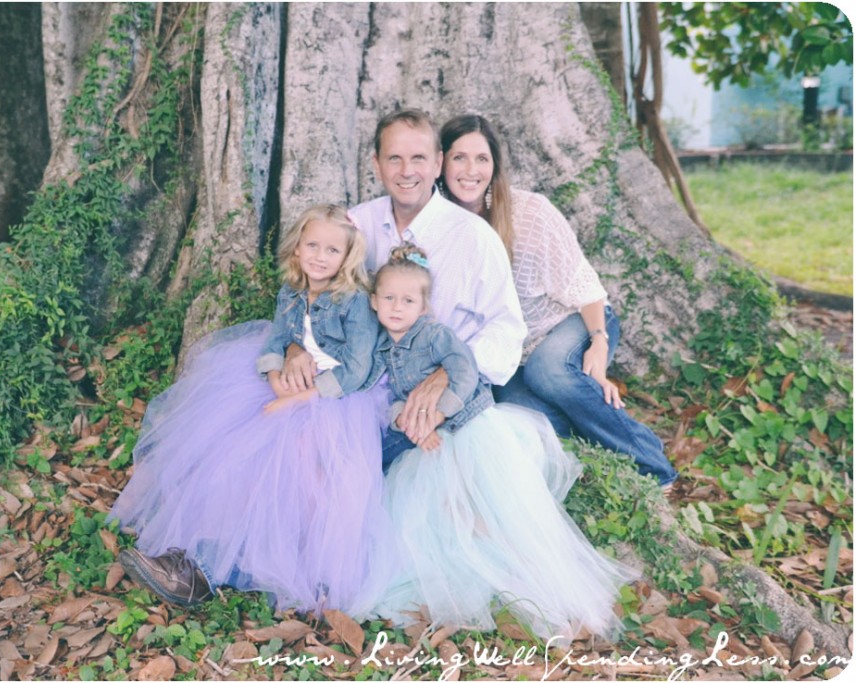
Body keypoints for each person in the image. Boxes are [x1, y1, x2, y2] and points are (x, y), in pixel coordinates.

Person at [108, 204, 394, 616]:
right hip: (290, 391)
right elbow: (275, 340)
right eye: (311, 245)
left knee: (299, 462)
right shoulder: (291, 293)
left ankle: (309, 575)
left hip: (338, 401)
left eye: (332, 250)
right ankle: (194, 560)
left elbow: (357, 371)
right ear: (296, 249)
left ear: (347, 258)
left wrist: (292, 400)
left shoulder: (354, 303)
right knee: (232, 449)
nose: (319, 256)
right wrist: (276, 379)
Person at [365, 245, 636, 637]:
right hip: (432, 440)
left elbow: (465, 373)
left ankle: (526, 577)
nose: (396, 307)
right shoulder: (384, 348)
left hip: (472, 427)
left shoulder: (436, 335)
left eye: (407, 300)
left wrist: (438, 415)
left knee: (493, 510)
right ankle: (463, 578)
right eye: (388, 298)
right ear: (374, 302)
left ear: (424, 307)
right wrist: (409, 423)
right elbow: (394, 400)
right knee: (433, 515)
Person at [438, 113, 679, 489]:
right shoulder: (439, 226)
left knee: (547, 372)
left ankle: (653, 465)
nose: (471, 170)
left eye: (482, 159)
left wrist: (598, 344)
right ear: (441, 162)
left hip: (572, 322)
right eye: (459, 157)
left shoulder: (529, 213)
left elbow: (585, 287)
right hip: (510, 352)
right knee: (523, 417)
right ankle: (600, 439)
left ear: (495, 167)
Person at [279, 109, 526, 467]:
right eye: (394, 158)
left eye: (418, 159)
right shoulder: (356, 224)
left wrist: (445, 373)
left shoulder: (473, 237)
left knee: (363, 469)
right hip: (362, 382)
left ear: (439, 163)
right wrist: (293, 346)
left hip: (438, 386)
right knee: (291, 446)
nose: (406, 171)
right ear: (376, 165)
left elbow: (507, 329)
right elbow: (310, 290)